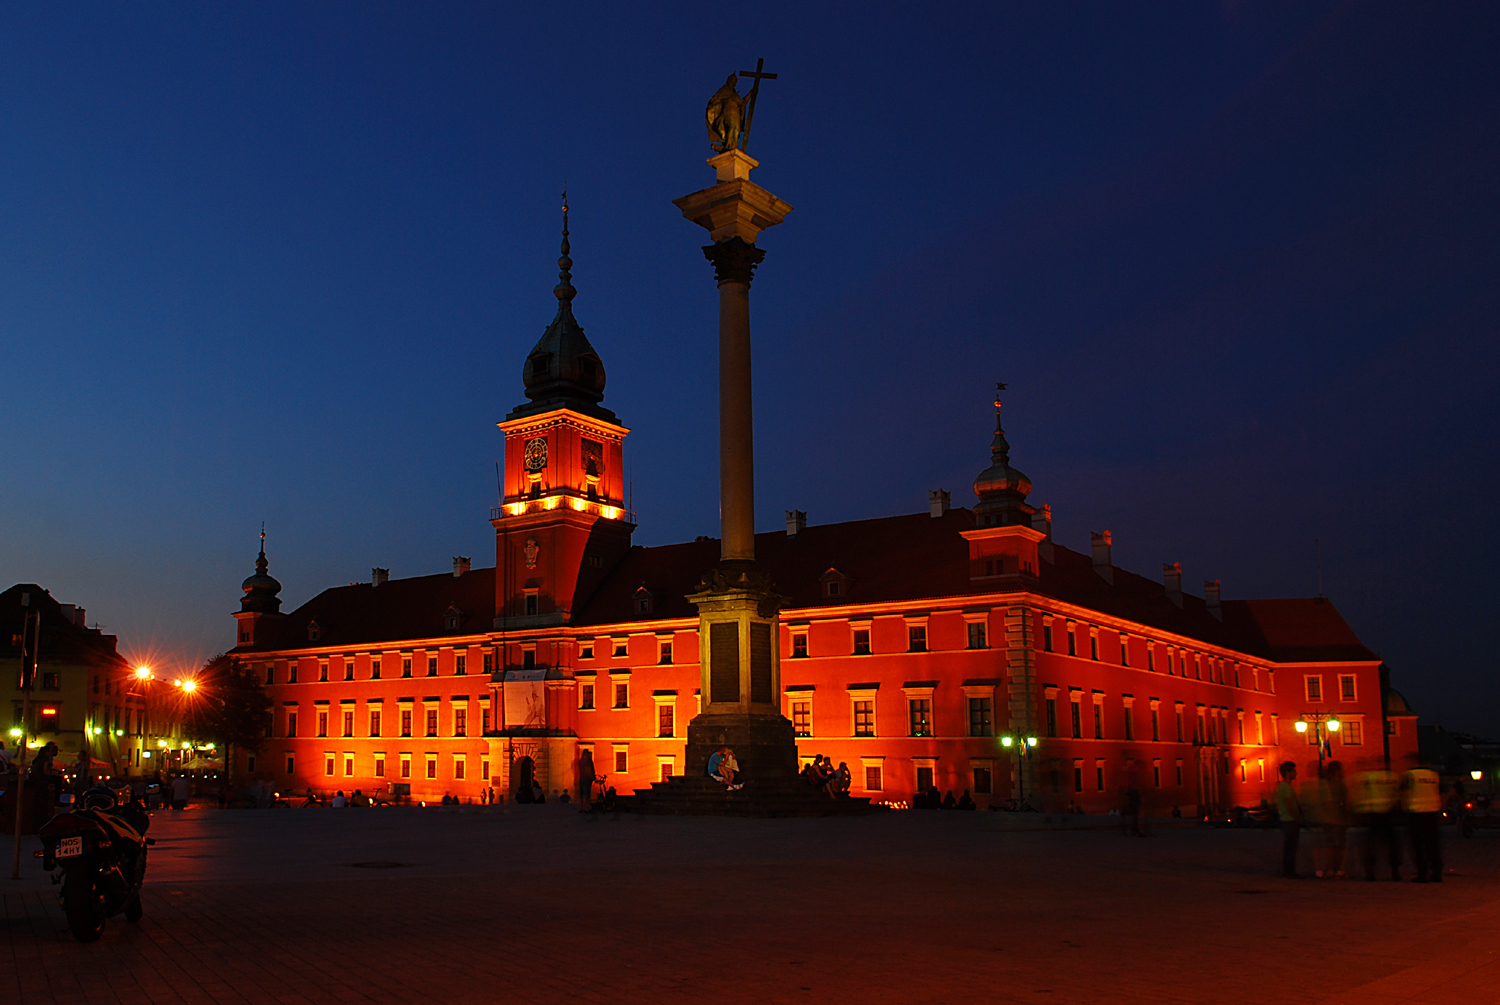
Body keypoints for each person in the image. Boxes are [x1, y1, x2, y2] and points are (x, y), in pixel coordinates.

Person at [1354, 764, 1403, 881]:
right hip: (1389, 814)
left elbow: (1366, 793)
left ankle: (1370, 872)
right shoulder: (1394, 777)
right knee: (1392, 845)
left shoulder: (1371, 778)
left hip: (1373, 814)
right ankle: (1395, 872)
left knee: (1370, 845)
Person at [1402, 754, 1443, 883]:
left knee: (1419, 846)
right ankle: (1436, 873)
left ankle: (1422, 873)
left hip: (1416, 814)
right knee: (1433, 845)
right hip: (1432, 813)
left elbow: (1404, 794)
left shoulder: (1409, 776)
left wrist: (1404, 809)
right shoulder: (1433, 775)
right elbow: (1440, 793)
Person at [1322, 761, 1352, 878]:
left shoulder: (1325, 785)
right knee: (1340, 845)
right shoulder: (1340, 785)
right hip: (1339, 819)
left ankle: (1330, 870)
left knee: (1330, 845)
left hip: (1328, 819)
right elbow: (1345, 802)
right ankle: (1339, 869)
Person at [1275, 761, 1302, 878]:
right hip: (1289, 820)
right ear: (1287, 773)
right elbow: (1289, 804)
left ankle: (1289, 870)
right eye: (1294, 771)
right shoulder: (1286, 787)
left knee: (1289, 847)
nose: (1296, 773)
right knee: (1291, 847)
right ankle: (1289, 871)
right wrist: (1297, 817)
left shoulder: (1283, 787)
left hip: (1286, 819)